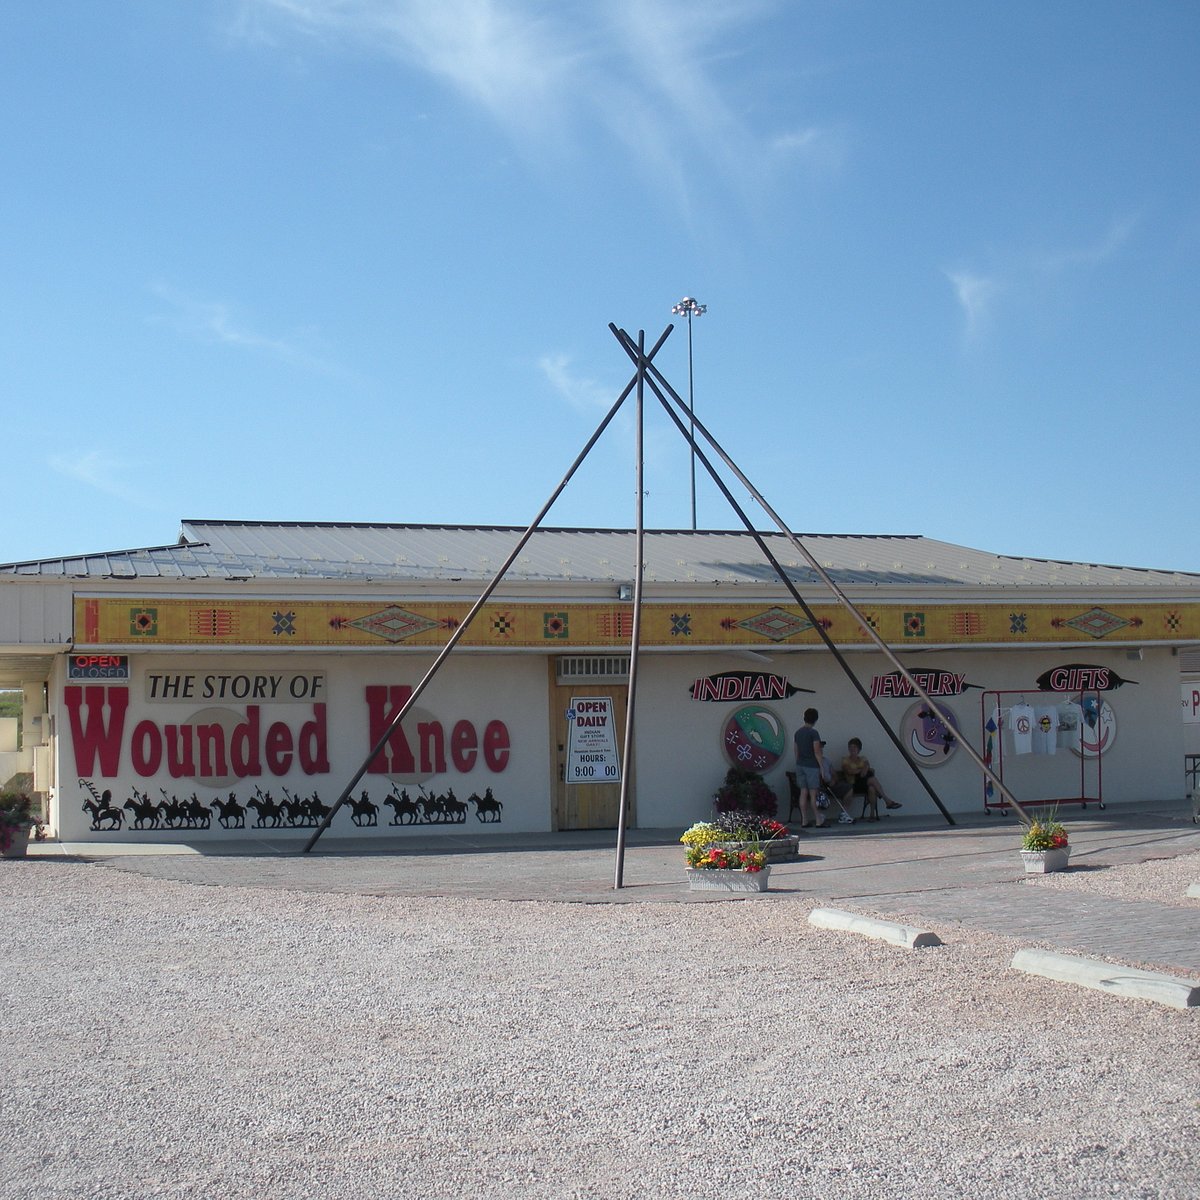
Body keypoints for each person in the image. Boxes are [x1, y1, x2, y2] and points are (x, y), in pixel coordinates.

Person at [840, 737, 901, 821]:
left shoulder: (863, 758)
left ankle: (872, 815)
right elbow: (849, 771)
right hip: (852, 784)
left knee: (871, 788)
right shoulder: (845, 760)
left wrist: (861, 770)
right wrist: (861, 770)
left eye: (855, 747)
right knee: (872, 780)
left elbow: (866, 768)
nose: (852, 749)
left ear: (859, 749)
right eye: (850, 747)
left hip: (863, 782)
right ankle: (887, 800)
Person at [792, 708, 825, 827]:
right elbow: (817, 751)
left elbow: (796, 750)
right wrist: (821, 767)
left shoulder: (797, 733)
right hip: (812, 766)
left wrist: (798, 763)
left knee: (803, 792)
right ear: (815, 719)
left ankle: (804, 820)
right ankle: (818, 819)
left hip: (800, 765)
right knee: (813, 794)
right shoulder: (813, 733)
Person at [818, 741, 855, 825]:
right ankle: (819, 816)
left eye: (821, 747)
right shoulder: (810, 762)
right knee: (816, 791)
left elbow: (834, 774)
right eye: (819, 747)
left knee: (848, 788)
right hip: (819, 786)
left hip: (830, 785)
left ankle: (843, 814)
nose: (821, 749)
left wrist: (833, 780)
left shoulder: (826, 760)